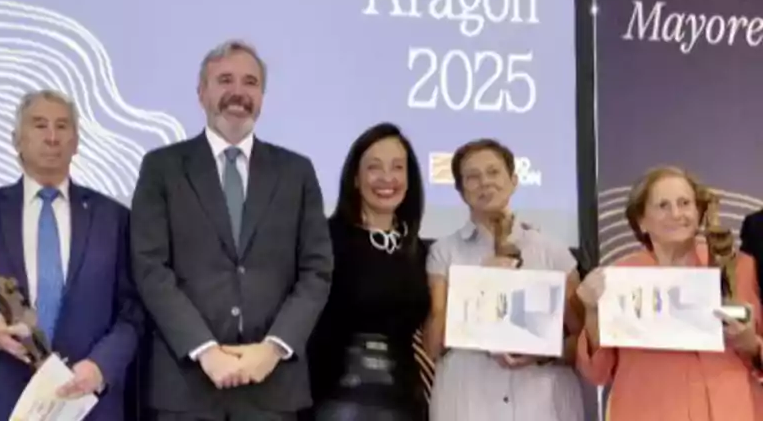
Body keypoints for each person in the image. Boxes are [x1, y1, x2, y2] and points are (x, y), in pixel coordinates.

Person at [130, 40, 333, 420]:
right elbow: (150, 268)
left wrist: (273, 348)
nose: (238, 92)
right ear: (201, 93)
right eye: (225, 80)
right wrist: (205, 350)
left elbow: (317, 271)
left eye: (250, 82)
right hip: (186, 387)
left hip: (272, 389)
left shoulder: (297, 172)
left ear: (262, 96)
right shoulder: (162, 168)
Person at [0, 89, 143, 420]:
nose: (52, 137)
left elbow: (133, 312)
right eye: (39, 125)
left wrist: (100, 366)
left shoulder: (115, 219)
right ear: (16, 139)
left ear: (76, 142)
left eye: (63, 126)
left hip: (88, 401)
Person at [576, 166, 763, 420]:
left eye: (685, 203)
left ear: (698, 213)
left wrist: (751, 344)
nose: (676, 213)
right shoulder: (620, 277)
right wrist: (592, 310)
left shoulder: (739, 267)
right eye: (662, 205)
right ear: (641, 221)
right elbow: (597, 372)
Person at [423, 139, 584, 421]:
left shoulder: (551, 251)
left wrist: (542, 352)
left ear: (513, 180)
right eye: (472, 177)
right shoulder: (444, 252)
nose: (485, 182)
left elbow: (583, 339)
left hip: (540, 400)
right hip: (469, 398)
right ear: (460, 191)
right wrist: (482, 285)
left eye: (494, 172)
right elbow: (433, 345)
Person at [307, 123, 429, 421]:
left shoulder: (420, 251)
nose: (387, 178)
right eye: (374, 167)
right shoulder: (322, 239)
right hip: (334, 402)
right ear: (355, 179)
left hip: (404, 403)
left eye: (397, 167)